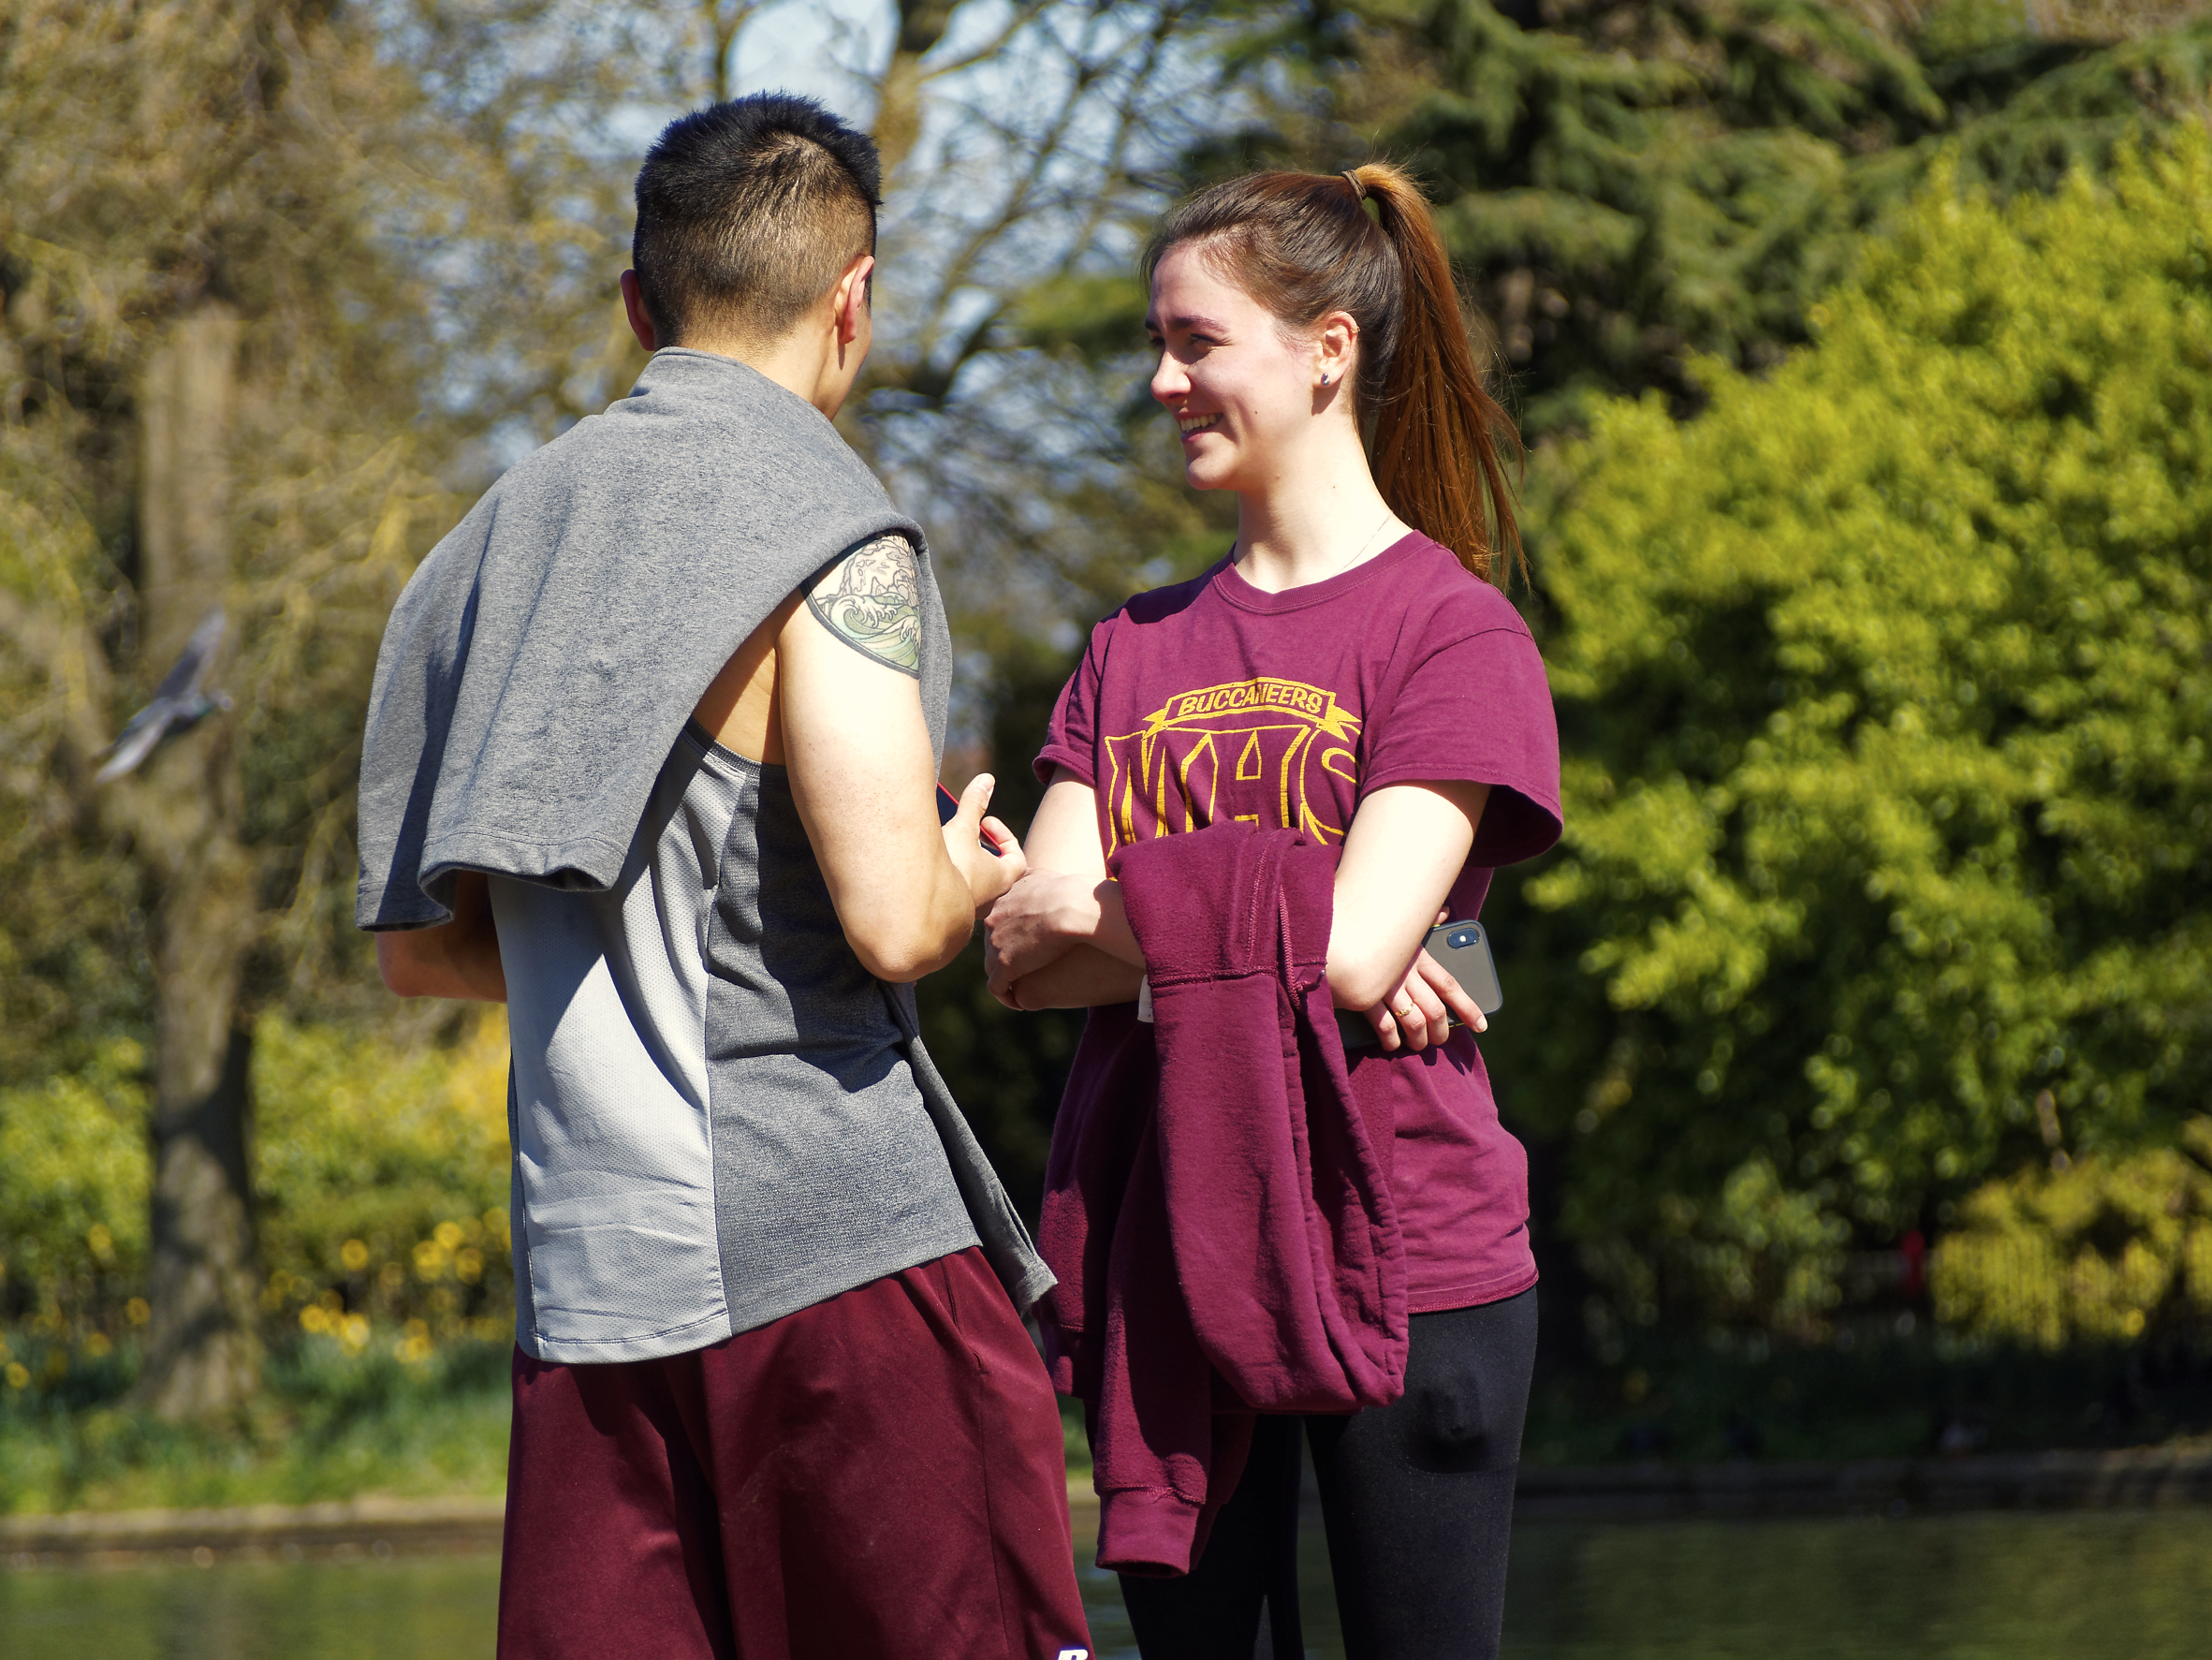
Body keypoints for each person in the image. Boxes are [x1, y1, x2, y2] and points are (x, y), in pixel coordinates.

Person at [357, 94, 1093, 1660]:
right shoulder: (836, 531)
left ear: (640, 304)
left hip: (590, 1283)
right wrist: (970, 868)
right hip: (836, 1252)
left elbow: (422, 952)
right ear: (854, 297)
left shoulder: (468, 563)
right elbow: (892, 917)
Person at [982, 162, 1562, 1660]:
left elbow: (1360, 950)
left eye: (1197, 342)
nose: (1161, 380)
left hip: (1414, 1250)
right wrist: (1286, 947)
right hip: (1171, 1259)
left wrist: (1171, 933)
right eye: (1157, 344)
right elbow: (1025, 947)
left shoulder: (1453, 632)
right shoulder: (1129, 648)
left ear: (1327, 350)